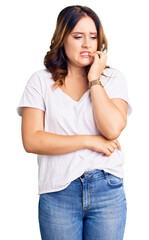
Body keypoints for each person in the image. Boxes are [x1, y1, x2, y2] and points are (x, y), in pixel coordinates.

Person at [17, 5, 131, 240]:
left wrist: (94, 79)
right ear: (62, 38)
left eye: (93, 37)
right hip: (58, 193)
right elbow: (32, 139)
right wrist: (89, 141)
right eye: (78, 36)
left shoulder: (113, 79)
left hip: (107, 189)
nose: (87, 44)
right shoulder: (40, 81)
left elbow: (111, 129)